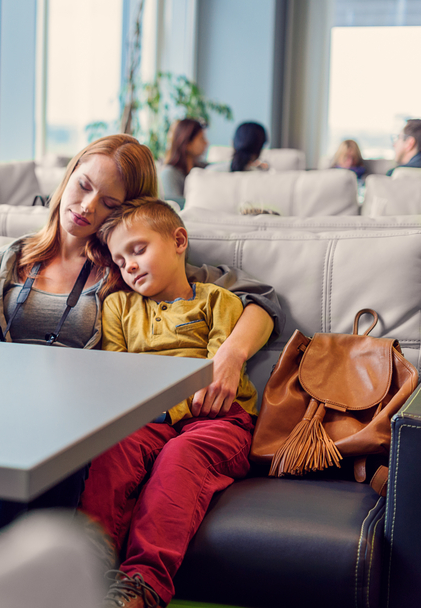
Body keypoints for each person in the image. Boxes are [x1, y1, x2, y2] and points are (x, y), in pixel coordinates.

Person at [0, 135, 280, 544]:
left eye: (109, 203)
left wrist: (229, 356)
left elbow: (260, 300)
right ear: (69, 175)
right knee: (7, 436)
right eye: (84, 185)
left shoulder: (133, 274)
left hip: (73, 423)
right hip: (1, 411)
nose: (88, 206)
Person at [83, 197, 260, 608]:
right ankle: (86, 569)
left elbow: (213, 376)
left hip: (218, 420)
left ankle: (143, 584)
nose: (129, 265)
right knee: (112, 450)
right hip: (144, 418)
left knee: (180, 456)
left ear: (179, 240)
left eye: (139, 249)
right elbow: (118, 371)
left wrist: (166, 408)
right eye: (120, 259)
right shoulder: (118, 306)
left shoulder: (219, 301)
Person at [158, 118, 207, 208]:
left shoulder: (202, 168)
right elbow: (175, 207)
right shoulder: (169, 174)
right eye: (201, 139)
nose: (206, 142)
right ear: (187, 143)